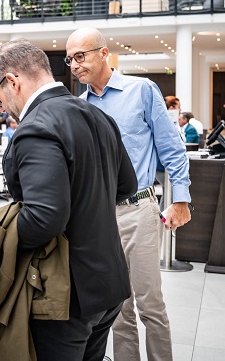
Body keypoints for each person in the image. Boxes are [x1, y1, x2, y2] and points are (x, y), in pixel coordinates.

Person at [0, 38, 137, 359]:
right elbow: (126, 186)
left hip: (65, 293)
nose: (3, 107)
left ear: (12, 81)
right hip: (109, 281)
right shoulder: (98, 116)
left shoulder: (36, 126)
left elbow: (44, 218)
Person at [66, 27, 192, 361]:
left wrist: (180, 199)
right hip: (99, 219)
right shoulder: (79, 107)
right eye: (70, 59)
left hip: (139, 211)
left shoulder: (142, 90)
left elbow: (172, 149)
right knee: (117, 309)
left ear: (103, 53)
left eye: (80, 56)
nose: (74, 65)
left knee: (151, 305)